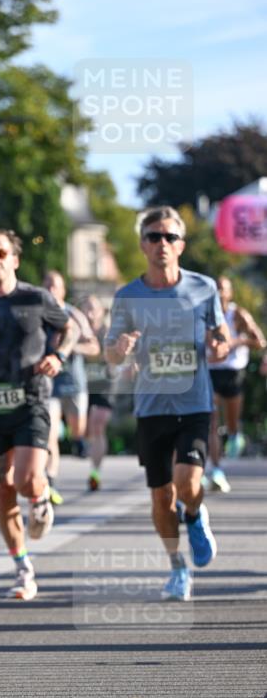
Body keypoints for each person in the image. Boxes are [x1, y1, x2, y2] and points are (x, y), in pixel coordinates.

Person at [105, 206, 230, 602]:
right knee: (161, 497)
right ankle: (178, 568)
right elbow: (110, 353)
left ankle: (194, 515)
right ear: (143, 244)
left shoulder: (203, 287)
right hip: (151, 407)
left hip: (194, 402)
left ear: (182, 244)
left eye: (170, 237)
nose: (162, 243)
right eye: (154, 236)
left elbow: (221, 334)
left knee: (187, 482)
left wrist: (219, 344)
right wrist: (119, 348)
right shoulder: (127, 296)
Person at [0, 229, 75, 600]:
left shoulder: (36, 297)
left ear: (14, 258)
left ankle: (41, 498)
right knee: (3, 489)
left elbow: (68, 327)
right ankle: (23, 568)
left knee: (27, 480)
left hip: (31, 400)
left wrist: (57, 355)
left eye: (0, 252)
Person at [43, 271, 100, 503]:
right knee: (50, 436)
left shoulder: (73, 315)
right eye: (46, 285)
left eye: (55, 286)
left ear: (62, 290)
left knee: (78, 430)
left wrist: (69, 349)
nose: (50, 290)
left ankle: (77, 440)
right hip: (49, 383)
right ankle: (50, 482)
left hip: (74, 382)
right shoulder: (38, 314)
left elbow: (94, 348)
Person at [207, 275, 266, 491]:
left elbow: (260, 341)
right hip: (211, 372)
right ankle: (216, 470)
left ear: (230, 293)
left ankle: (234, 436)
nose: (220, 293)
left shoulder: (238, 314)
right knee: (211, 422)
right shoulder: (205, 316)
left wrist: (237, 341)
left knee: (231, 426)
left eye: (224, 289)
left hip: (233, 374)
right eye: (217, 289)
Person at [79, 294, 114, 492]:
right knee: (86, 430)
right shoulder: (76, 331)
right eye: (87, 309)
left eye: (94, 309)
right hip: (80, 386)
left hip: (103, 386)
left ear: (101, 312)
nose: (90, 314)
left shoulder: (107, 333)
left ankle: (95, 472)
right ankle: (84, 447)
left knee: (98, 424)